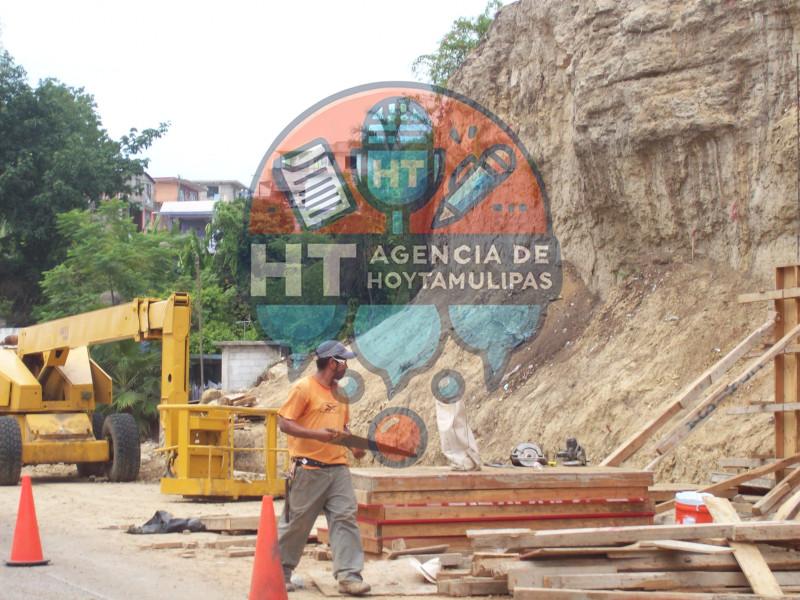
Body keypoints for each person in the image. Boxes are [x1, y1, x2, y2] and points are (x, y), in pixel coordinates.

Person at [277, 340, 371, 596]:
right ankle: (280, 573)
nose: (346, 366)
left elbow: (343, 427)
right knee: (296, 523)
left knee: (345, 518)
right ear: (332, 363)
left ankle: (349, 576)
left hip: (338, 468)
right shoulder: (303, 388)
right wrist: (315, 434)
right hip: (308, 469)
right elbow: (284, 423)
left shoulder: (341, 393)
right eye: (344, 361)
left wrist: (354, 445)